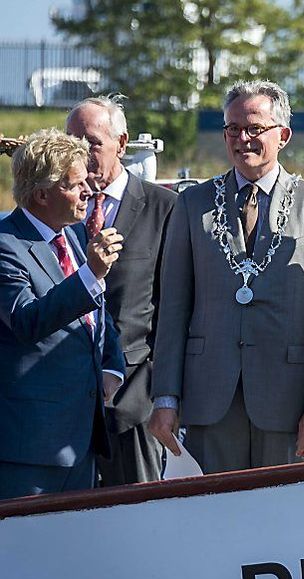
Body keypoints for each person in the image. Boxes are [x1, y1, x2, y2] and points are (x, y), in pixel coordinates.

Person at [147, 80, 304, 474]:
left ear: (283, 135)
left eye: (254, 128)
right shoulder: (193, 203)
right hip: (210, 399)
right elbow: (173, 307)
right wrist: (165, 397)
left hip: (288, 403)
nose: (242, 138)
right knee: (214, 521)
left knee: (284, 520)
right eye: (232, 129)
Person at [0, 128, 126, 498]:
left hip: (80, 442)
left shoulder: (70, 235)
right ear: (42, 194)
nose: (89, 190)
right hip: (30, 450)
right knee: (22, 553)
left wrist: (111, 364)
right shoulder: (6, 246)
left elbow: (97, 312)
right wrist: (92, 273)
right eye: (76, 184)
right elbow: (27, 320)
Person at [66, 96, 178, 485]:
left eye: (92, 143)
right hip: (63, 408)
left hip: (134, 408)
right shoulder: (56, 210)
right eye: (72, 142)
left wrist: (158, 397)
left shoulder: (164, 209)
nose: (81, 153)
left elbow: (173, 312)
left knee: (137, 522)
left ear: (122, 143)